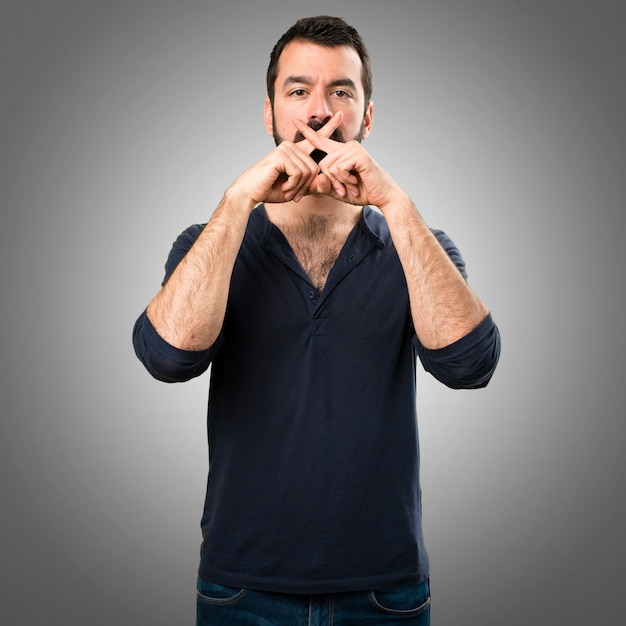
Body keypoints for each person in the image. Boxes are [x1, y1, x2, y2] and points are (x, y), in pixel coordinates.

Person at [133, 15, 500, 626]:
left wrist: (395, 204)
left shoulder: (420, 246)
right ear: (271, 113)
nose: (319, 113)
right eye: (298, 91)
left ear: (368, 117)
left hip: (387, 593)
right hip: (241, 588)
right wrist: (237, 201)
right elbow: (168, 358)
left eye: (342, 92)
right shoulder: (209, 243)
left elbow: (468, 365)